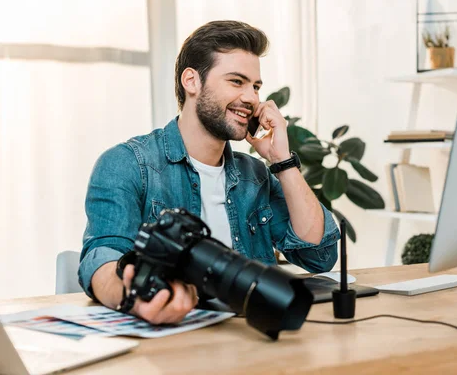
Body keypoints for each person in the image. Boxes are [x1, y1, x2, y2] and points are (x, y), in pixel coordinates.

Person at [78, 20, 340, 324]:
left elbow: (318, 256)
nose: (252, 98)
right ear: (192, 81)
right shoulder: (127, 164)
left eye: (255, 86)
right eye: (236, 81)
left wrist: (282, 161)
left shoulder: (253, 175)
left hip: (248, 339)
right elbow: (102, 256)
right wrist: (133, 299)